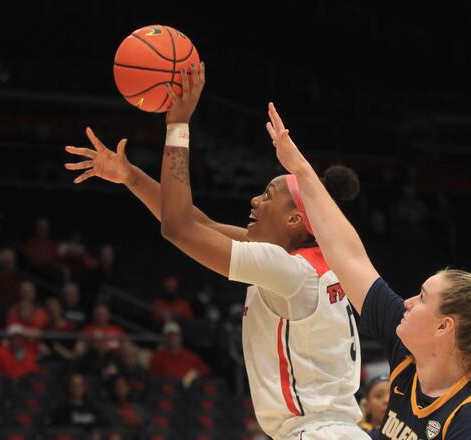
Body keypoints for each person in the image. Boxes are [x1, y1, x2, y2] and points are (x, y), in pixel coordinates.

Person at [65, 63, 367, 440]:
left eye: (268, 195)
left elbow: (179, 228)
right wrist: (130, 176)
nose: (255, 200)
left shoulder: (289, 272)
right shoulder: (314, 262)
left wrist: (178, 125)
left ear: (295, 221)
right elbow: (196, 221)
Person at [265, 102, 471, 440]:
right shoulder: (408, 350)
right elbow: (350, 258)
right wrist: (302, 170)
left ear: (444, 326)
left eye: (422, 298)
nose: (407, 302)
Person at [148, 321, 210, 387]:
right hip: (167, 392)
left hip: (187, 392)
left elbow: (205, 370)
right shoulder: (157, 356)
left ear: (180, 337)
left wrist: (194, 374)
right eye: (169, 336)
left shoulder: (189, 355)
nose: (172, 339)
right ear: (164, 338)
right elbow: (152, 378)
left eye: (175, 335)